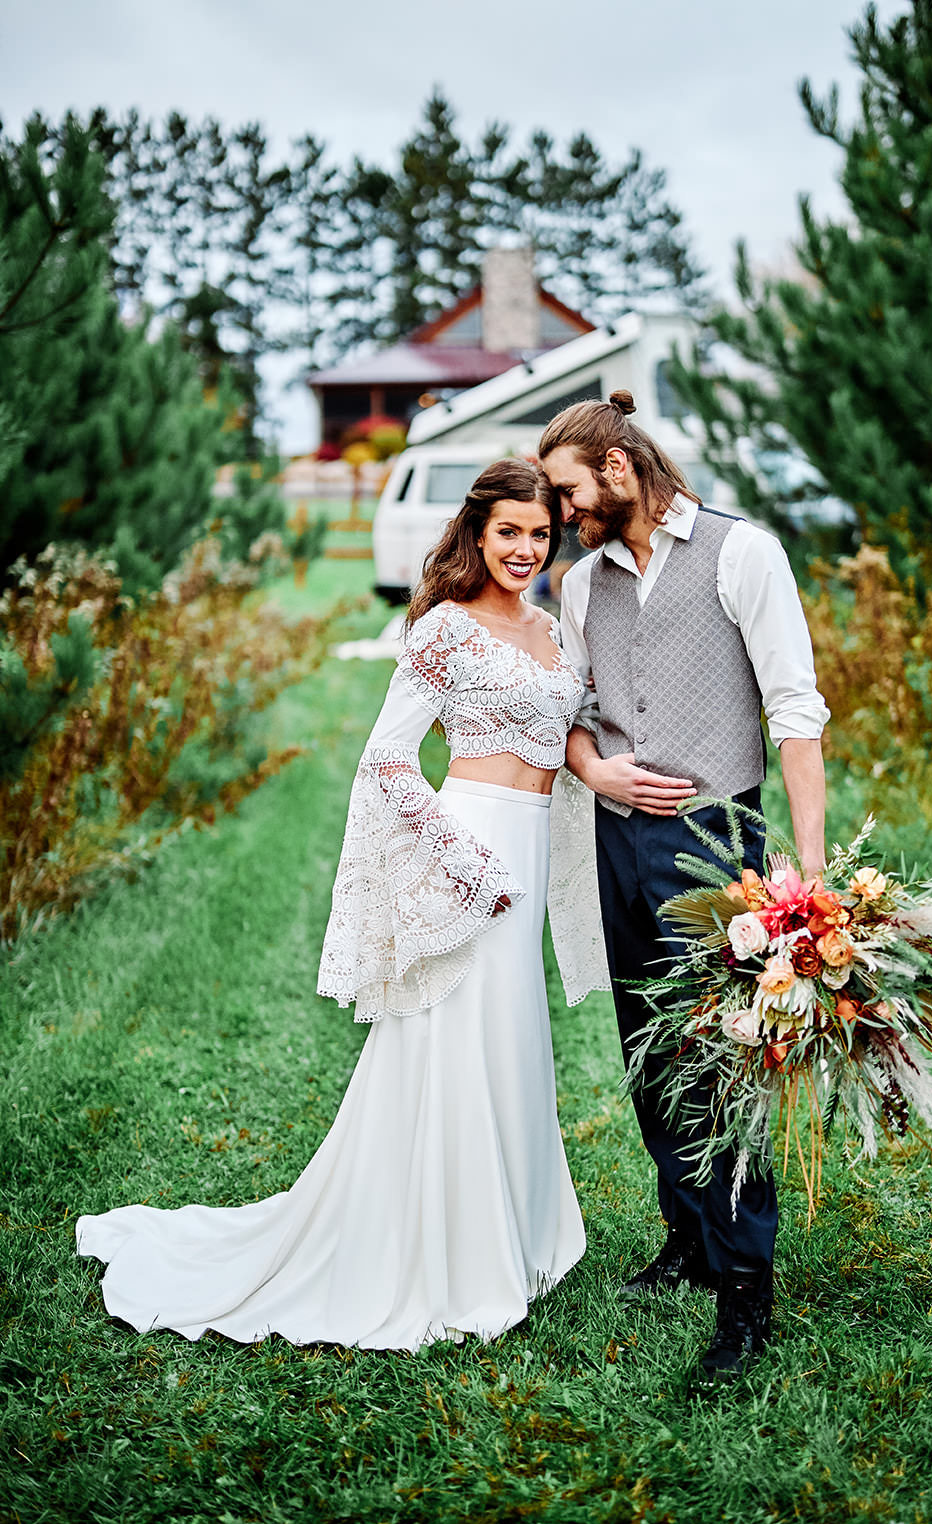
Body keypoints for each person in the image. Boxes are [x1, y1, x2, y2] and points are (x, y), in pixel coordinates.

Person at [77, 460, 587, 1351]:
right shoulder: (443, 632)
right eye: (508, 531)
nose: (524, 548)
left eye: (539, 534)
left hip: (533, 844)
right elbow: (387, 758)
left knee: (510, 1035)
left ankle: (511, 1229)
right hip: (469, 847)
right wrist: (459, 858)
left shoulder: (549, 629)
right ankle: (437, 1251)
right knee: (451, 1035)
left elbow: (569, 733)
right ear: (476, 532)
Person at [540, 392, 829, 1390]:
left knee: (726, 1065)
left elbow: (793, 709)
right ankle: (688, 1239)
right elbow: (567, 711)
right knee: (646, 1050)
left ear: (617, 468)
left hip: (716, 844)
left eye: (571, 492)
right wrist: (594, 768)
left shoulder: (741, 554)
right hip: (618, 844)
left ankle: (744, 1288)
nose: (562, 512)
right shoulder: (580, 586)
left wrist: (809, 870)